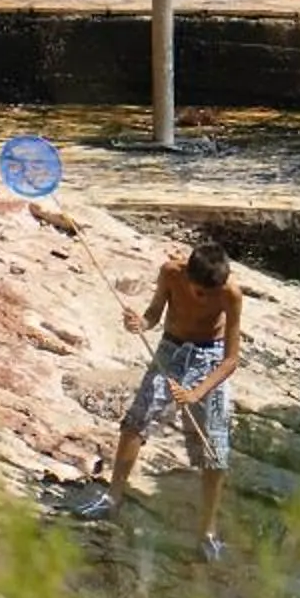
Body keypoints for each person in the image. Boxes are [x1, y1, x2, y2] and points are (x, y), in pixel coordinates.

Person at [76, 239, 243, 564]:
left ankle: (208, 532)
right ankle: (112, 499)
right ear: (188, 276)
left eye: (212, 293)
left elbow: (231, 361)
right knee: (135, 422)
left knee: (216, 445)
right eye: (200, 292)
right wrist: (142, 323)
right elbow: (154, 313)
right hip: (171, 347)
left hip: (210, 357)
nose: (207, 298)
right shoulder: (170, 272)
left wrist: (196, 393)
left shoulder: (230, 293)